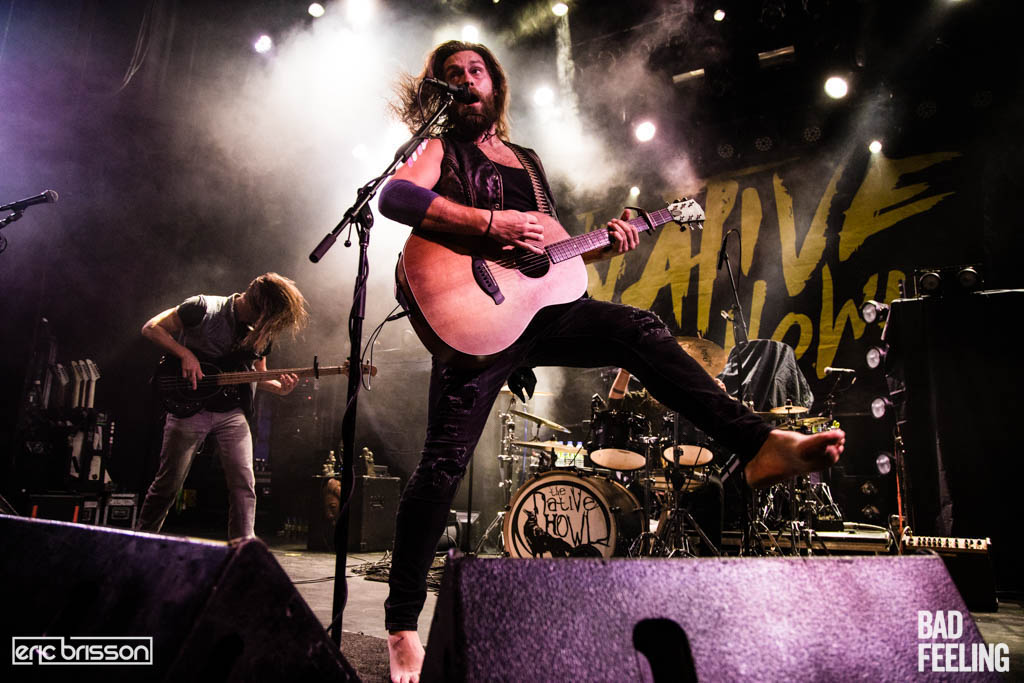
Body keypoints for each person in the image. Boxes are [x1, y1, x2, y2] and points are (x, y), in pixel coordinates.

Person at [377, 41, 845, 683]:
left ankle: (759, 443)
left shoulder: (527, 162)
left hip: (539, 315)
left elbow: (546, 260)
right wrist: (490, 225)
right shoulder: (440, 148)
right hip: (473, 323)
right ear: (439, 90)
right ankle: (402, 625)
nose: (465, 80)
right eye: (452, 74)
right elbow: (396, 199)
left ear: (495, 85)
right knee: (441, 469)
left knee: (638, 329)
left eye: (475, 70)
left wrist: (605, 244)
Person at [137, 272, 309, 540]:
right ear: (255, 304)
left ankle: (243, 549)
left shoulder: (263, 333)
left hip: (232, 412)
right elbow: (151, 328)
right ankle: (140, 542)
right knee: (168, 486)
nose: (267, 326)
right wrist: (185, 354)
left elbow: (257, 375)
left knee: (244, 485)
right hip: (189, 406)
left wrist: (280, 388)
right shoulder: (202, 307)